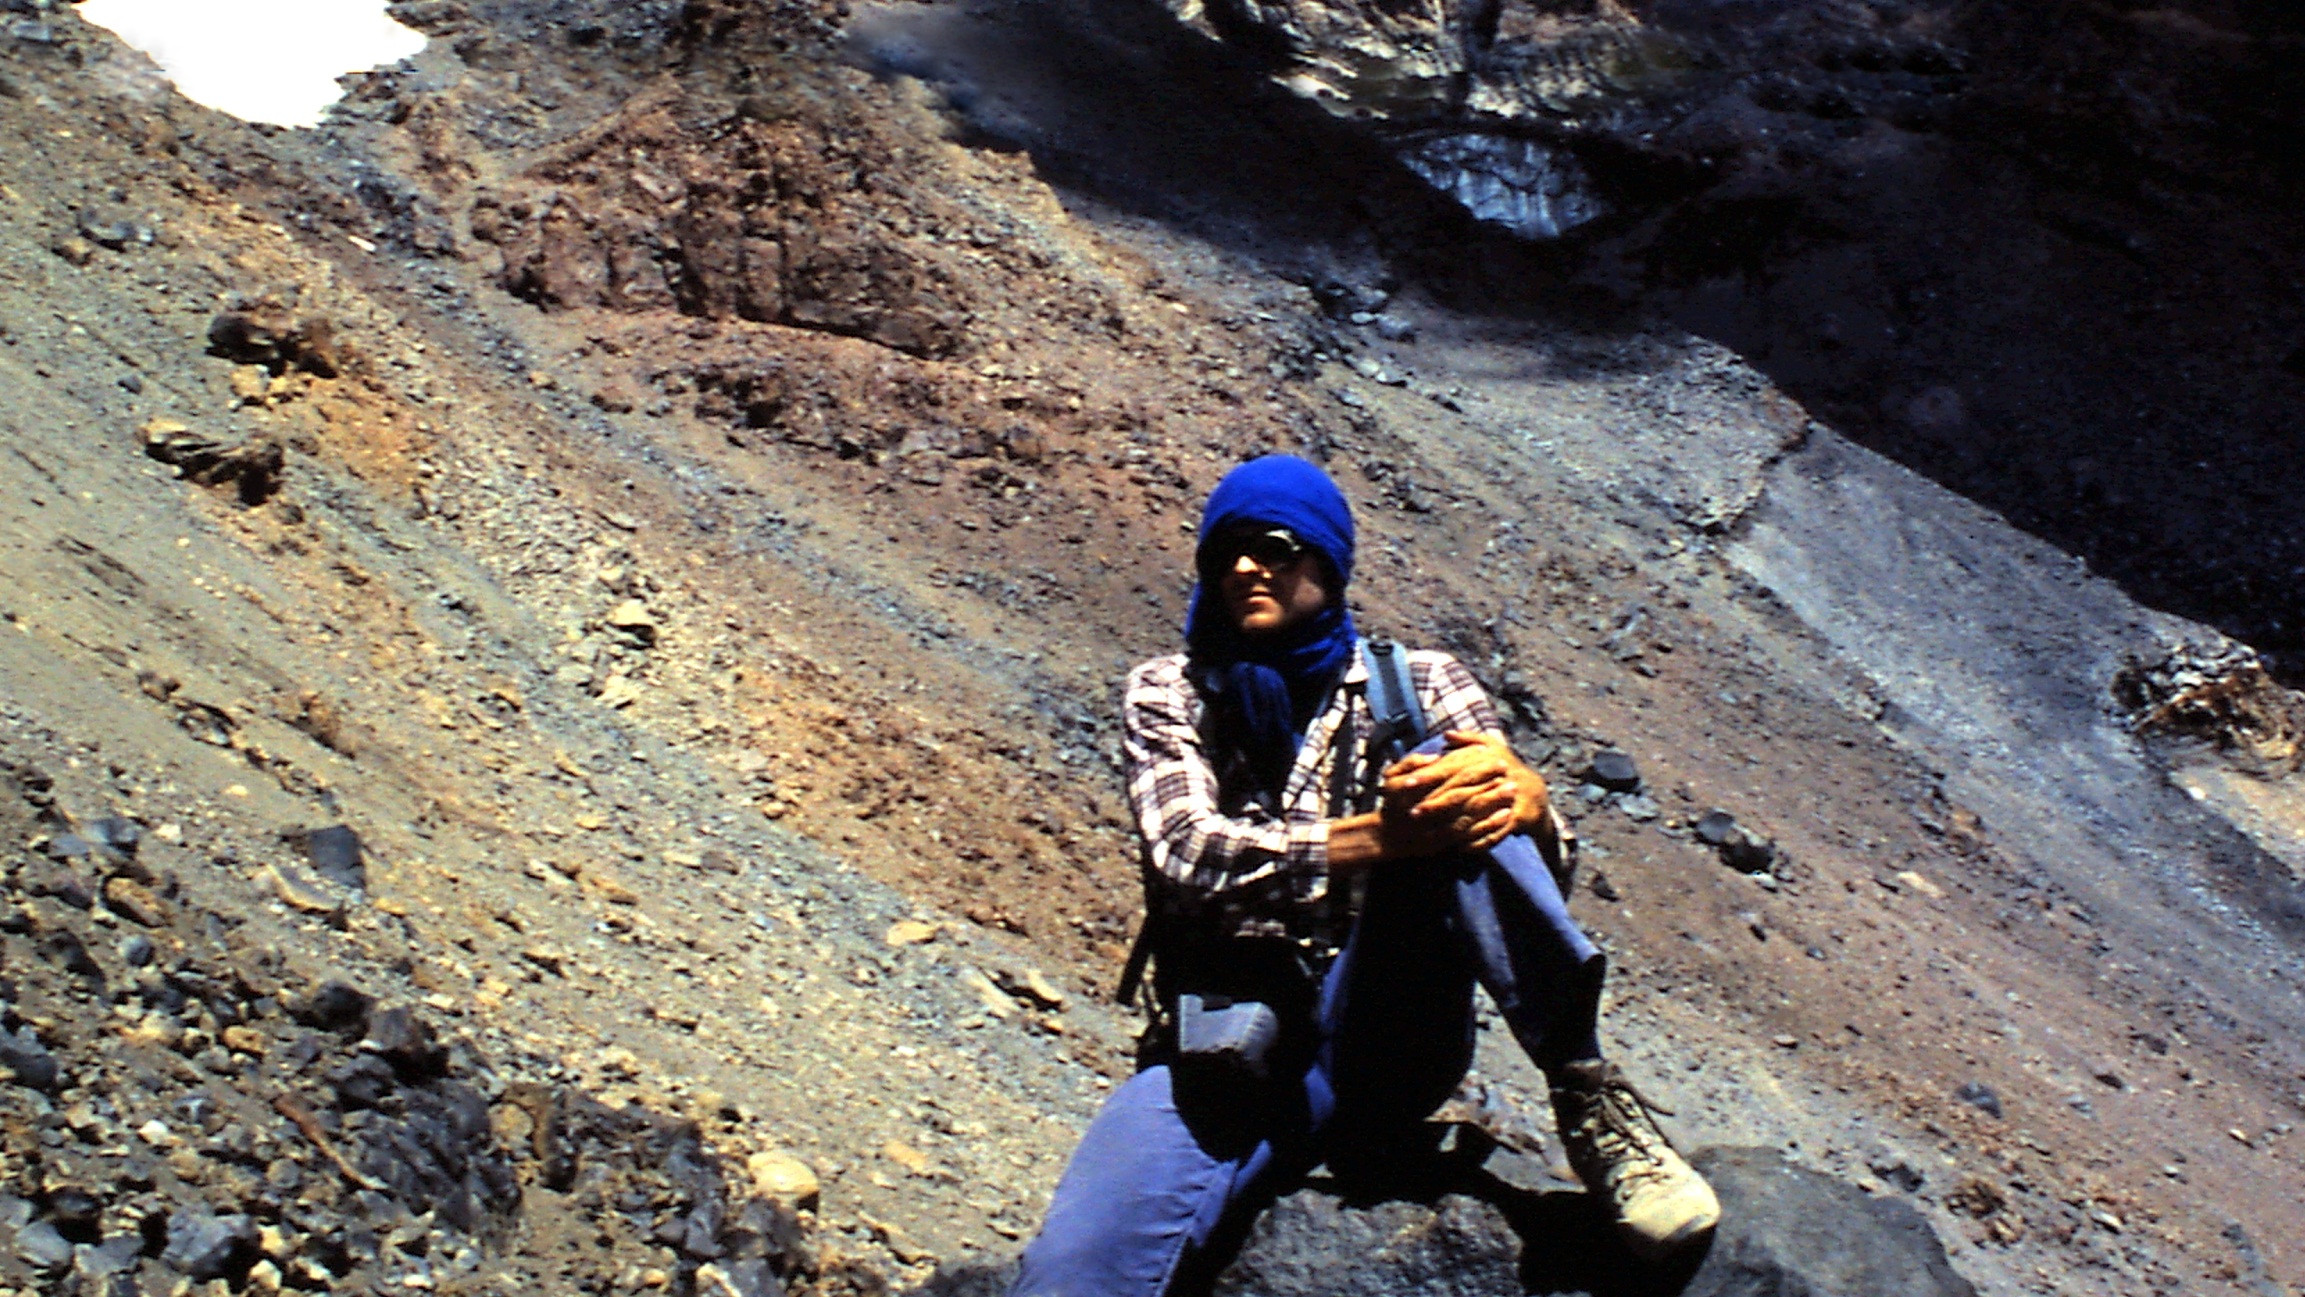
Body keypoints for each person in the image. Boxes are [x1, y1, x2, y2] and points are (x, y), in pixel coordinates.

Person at [1010, 455, 1717, 1297]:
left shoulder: (1420, 683)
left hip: (1390, 1021)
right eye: (1225, 551)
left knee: (1453, 775)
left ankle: (1583, 1088)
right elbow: (1188, 852)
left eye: (1274, 547)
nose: (1245, 567)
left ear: (1327, 558)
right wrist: (1382, 838)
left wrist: (1531, 809)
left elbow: (1526, 870)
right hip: (1225, 1041)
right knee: (1077, 1266)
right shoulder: (1168, 690)